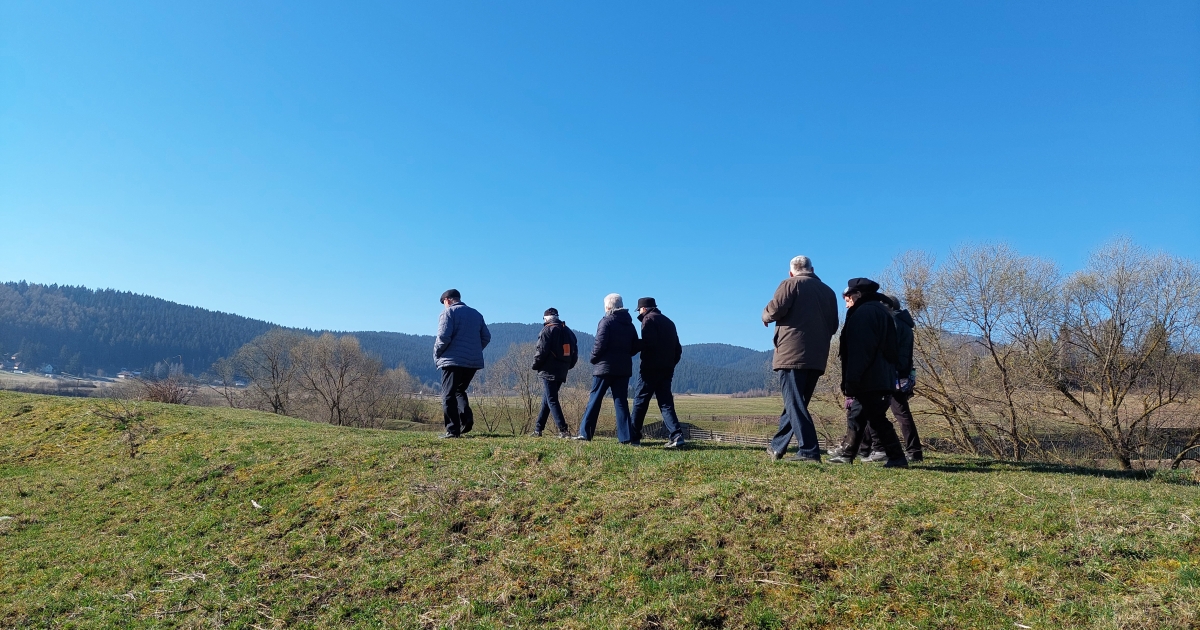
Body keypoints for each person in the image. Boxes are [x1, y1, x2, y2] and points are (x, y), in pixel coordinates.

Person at [762, 255, 839, 463]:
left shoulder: (789, 284)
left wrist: (764, 315)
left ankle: (808, 451)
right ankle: (777, 447)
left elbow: (776, 309)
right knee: (796, 403)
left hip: (791, 354)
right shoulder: (829, 292)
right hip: (817, 357)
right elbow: (833, 326)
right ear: (812, 269)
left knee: (794, 403)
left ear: (791, 272)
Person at [828, 278, 908, 467]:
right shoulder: (880, 311)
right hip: (880, 375)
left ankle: (897, 456)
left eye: (848, 298)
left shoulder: (864, 313)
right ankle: (848, 454)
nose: (846, 303)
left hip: (870, 377)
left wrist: (852, 379)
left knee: (876, 418)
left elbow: (861, 350)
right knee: (859, 415)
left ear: (858, 295)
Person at [853, 293, 924, 462]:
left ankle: (893, 450)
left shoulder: (893, 323)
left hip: (892, 374)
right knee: (884, 411)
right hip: (902, 374)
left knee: (887, 411)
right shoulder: (905, 324)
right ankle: (870, 448)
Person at [575, 293, 640, 442]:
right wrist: (625, 354)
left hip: (604, 367)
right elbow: (636, 346)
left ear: (608, 306)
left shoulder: (606, 321)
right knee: (621, 402)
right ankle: (626, 437)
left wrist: (593, 358)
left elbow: (599, 344)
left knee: (595, 399)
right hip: (623, 368)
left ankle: (585, 433)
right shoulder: (629, 324)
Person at [433, 289, 491, 438]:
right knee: (459, 390)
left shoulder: (448, 313)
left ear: (447, 300)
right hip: (472, 362)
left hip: (452, 360)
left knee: (448, 395)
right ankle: (466, 420)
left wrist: (437, 353)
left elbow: (443, 337)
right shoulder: (476, 314)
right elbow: (486, 337)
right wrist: (474, 351)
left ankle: (452, 430)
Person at [630, 297, 685, 448]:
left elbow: (649, 343)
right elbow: (678, 349)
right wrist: (670, 364)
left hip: (650, 369)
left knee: (640, 402)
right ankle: (677, 435)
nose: (639, 313)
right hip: (667, 369)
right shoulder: (669, 322)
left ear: (644, 309)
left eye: (639, 310)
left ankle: (633, 437)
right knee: (666, 403)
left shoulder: (648, 320)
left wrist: (634, 346)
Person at [530, 307, 578, 438]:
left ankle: (563, 430)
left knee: (551, 399)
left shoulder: (546, 330)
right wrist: (568, 366)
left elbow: (541, 351)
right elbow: (574, 352)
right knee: (547, 399)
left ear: (546, 319)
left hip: (548, 370)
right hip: (562, 370)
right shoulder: (568, 332)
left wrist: (535, 365)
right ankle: (538, 429)